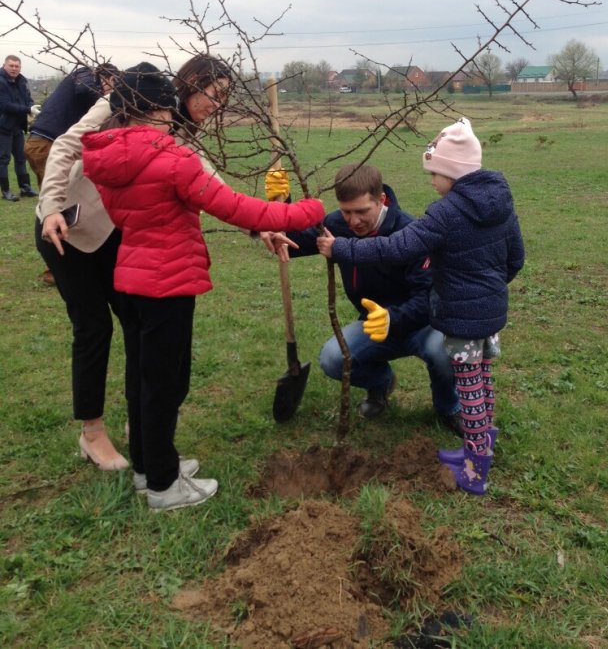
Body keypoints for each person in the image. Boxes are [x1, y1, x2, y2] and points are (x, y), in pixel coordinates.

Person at [36, 56, 291, 480]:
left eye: (225, 97)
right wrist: (49, 208)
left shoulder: (180, 131)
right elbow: (65, 146)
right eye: (215, 93)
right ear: (193, 82)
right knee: (93, 328)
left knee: (140, 332)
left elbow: (208, 182)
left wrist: (259, 224)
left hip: (120, 237)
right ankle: (92, 433)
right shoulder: (129, 99)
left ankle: (143, 434)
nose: (217, 104)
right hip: (67, 229)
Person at [81, 68, 324, 511]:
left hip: (131, 278)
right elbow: (234, 207)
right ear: (158, 109)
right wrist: (305, 212)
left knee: (141, 379)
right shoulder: (172, 159)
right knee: (164, 384)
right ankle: (163, 486)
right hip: (168, 282)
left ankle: (148, 466)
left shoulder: (108, 157)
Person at [316, 119, 525, 495]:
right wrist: (488, 290)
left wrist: (343, 248)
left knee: (469, 392)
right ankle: (482, 445)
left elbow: (397, 247)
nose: (432, 182)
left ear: (453, 172)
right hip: (490, 314)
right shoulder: (501, 204)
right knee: (483, 383)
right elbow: (516, 259)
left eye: (435, 174)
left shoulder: (446, 212)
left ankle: (475, 468)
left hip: (460, 317)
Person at [263, 163, 462, 432]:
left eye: (362, 212)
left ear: (381, 200)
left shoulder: (410, 232)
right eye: (347, 212)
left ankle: (449, 406)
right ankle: (380, 384)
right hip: (372, 325)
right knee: (333, 358)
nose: (354, 221)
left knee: (444, 351)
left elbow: (427, 301)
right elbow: (291, 242)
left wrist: (391, 318)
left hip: (422, 325)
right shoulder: (336, 226)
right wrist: (280, 207)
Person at [24, 63, 119, 285]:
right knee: (59, 200)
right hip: (46, 143)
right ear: (106, 76)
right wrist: (104, 100)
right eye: (113, 83)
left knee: (58, 199)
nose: (112, 89)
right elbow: (84, 89)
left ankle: (61, 260)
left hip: (43, 141)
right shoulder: (85, 74)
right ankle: (59, 263)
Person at [0, 55, 39, 201]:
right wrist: (27, 109)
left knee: (21, 158)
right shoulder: (1, 82)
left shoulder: (22, 81)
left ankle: (25, 188)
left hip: (18, 126)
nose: (14, 69)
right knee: (3, 159)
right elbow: (5, 105)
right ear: (5, 65)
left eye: (17, 66)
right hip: (3, 127)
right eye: (11, 66)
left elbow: (27, 99)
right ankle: (6, 191)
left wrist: (31, 107)